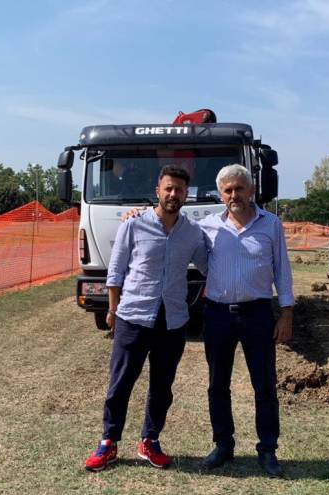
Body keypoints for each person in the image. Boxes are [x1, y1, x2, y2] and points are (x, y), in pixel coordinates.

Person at [83, 164, 208, 472]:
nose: (173, 194)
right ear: (158, 191)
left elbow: (209, 266)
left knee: (162, 387)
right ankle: (108, 442)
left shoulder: (193, 233)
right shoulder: (134, 224)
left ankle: (149, 441)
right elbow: (116, 271)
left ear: (186, 195)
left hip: (173, 320)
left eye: (179, 190)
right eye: (168, 188)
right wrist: (112, 309)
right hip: (133, 316)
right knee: (120, 383)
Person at [197, 164, 294, 477]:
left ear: (251, 190)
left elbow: (282, 271)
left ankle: (267, 450)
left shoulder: (271, 225)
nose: (234, 195)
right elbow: (171, 229)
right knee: (217, 385)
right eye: (228, 190)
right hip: (217, 314)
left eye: (240, 188)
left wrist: (287, 314)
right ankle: (223, 446)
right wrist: (136, 216)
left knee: (264, 385)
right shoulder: (207, 227)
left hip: (257, 314)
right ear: (220, 193)